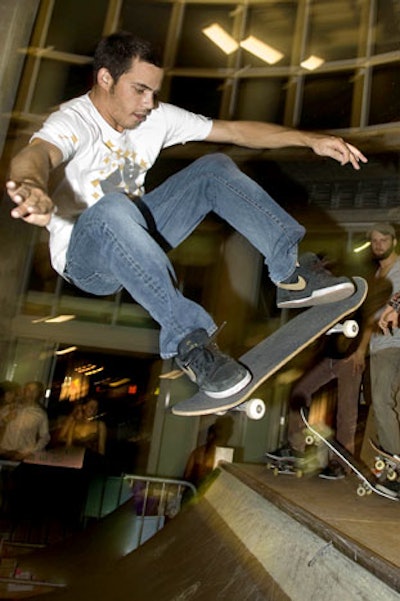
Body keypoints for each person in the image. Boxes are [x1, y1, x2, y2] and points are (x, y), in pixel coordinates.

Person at [6, 31, 368, 405]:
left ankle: (290, 272)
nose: (149, 103)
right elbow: (37, 154)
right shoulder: (75, 120)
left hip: (139, 234)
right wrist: (31, 184)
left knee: (213, 168)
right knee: (112, 207)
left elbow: (235, 131)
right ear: (105, 79)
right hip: (88, 261)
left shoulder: (155, 117)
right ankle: (190, 343)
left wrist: (309, 140)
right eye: (140, 90)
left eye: (154, 93)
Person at [0, 380, 50, 461]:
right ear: (24, 391)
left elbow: (45, 437)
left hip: (23, 455)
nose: (31, 393)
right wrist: (5, 419)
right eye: (29, 390)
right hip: (4, 453)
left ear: (38, 393)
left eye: (35, 391)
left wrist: (30, 452)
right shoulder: (9, 408)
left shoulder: (41, 414)